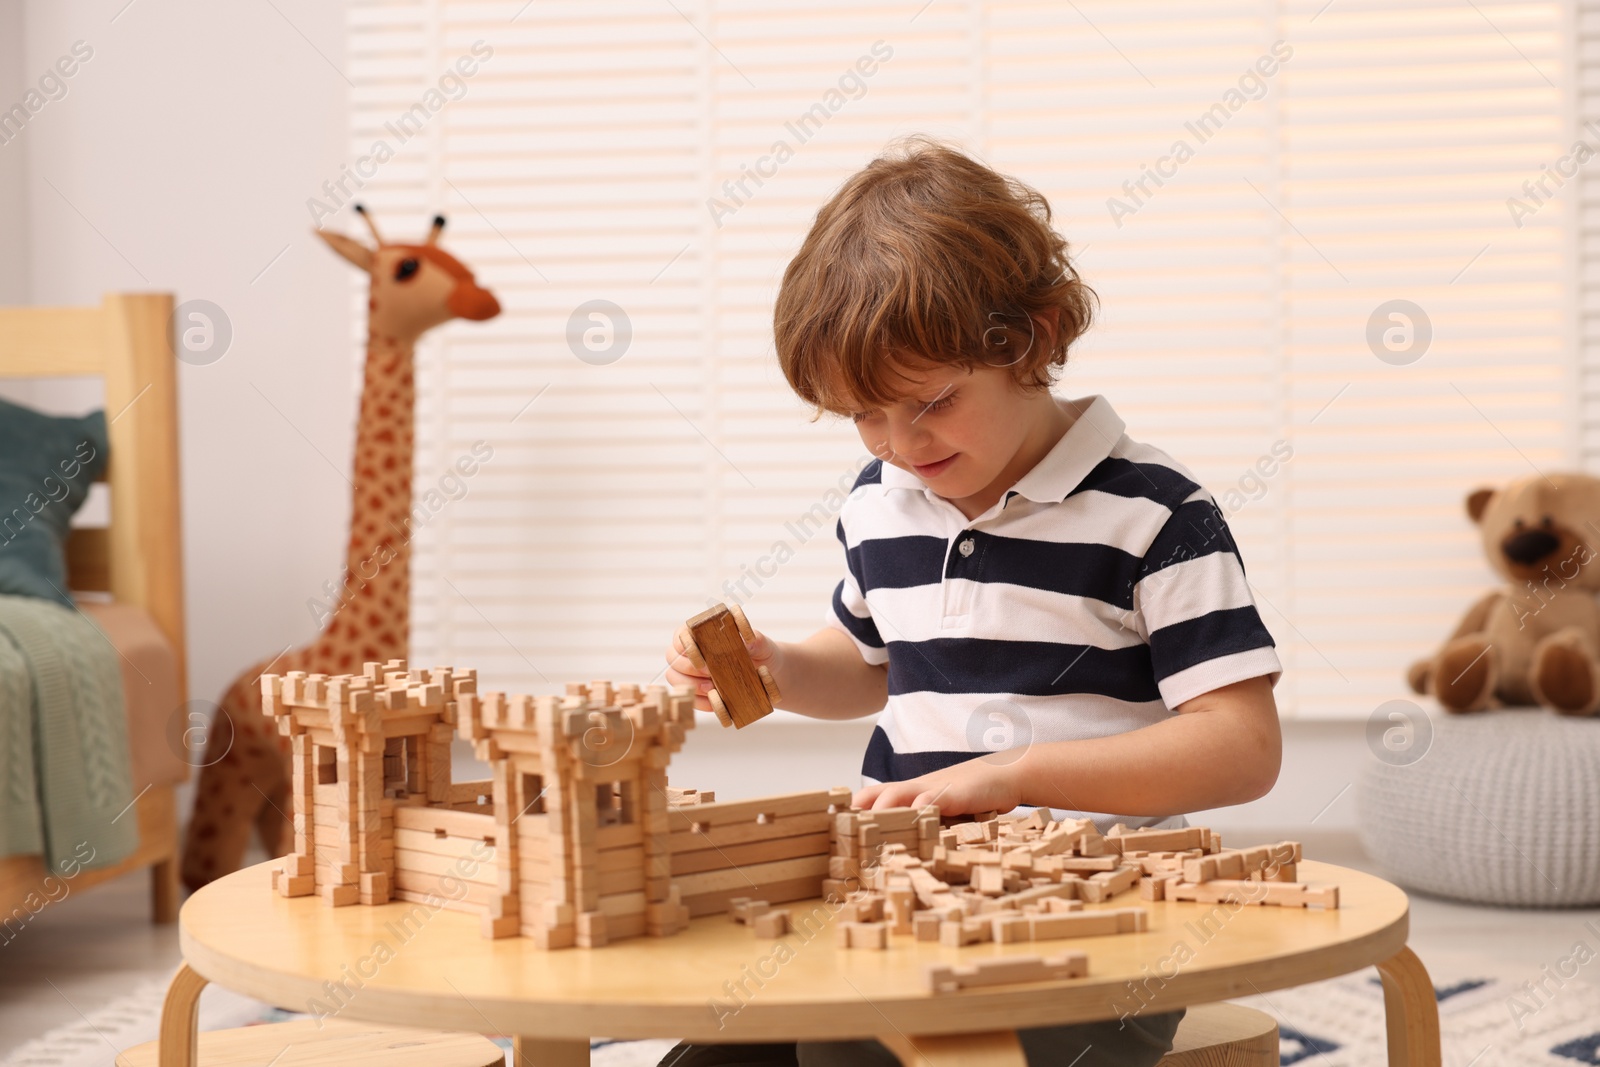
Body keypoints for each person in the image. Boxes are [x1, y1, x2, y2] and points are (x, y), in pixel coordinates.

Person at [658, 136, 1284, 1067]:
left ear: (1031, 339)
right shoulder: (881, 502)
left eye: (933, 401)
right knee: (712, 1051)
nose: (900, 442)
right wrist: (780, 670)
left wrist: (1018, 775)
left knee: (859, 1055)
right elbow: (871, 666)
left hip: (1094, 923)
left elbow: (1242, 745)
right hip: (899, 895)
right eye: (865, 413)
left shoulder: (1154, 514)